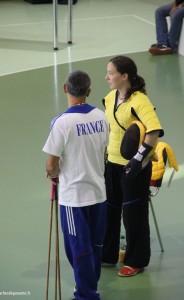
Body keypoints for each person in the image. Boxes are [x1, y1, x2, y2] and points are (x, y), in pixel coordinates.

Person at [43, 70, 109, 300]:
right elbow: (104, 151)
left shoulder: (61, 122)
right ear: (89, 91)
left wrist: (52, 174)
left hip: (74, 198)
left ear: (65, 88)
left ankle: (86, 295)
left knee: (78, 249)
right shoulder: (101, 116)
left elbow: (52, 164)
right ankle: (90, 287)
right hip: (99, 193)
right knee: (94, 246)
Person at [102, 55, 164, 277]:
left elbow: (153, 130)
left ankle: (136, 260)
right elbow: (109, 128)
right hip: (112, 163)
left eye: (111, 73)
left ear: (124, 76)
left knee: (133, 214)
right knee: (109, 210)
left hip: (134, 168)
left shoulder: (140, 100)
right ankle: (107, 254)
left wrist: (138, 159)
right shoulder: (109, 98)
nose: (107, 77)